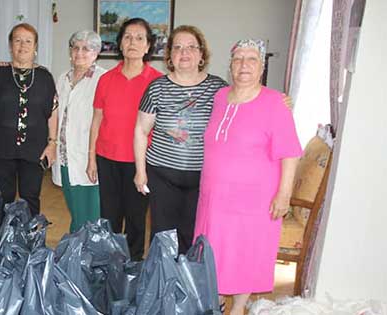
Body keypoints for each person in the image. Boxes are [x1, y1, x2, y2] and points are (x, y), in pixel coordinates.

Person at [193, 39, 302, 315]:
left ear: (262, 66)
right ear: (230, 66)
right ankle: (215, 299)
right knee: (214, 248)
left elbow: (290, 153)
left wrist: (284, 194)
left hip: (253, 201)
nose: (244, 65)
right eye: (238, 59)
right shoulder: (220, 97)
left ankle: (239, 306)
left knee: (246, 251)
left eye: (251, 59)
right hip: (214, 196)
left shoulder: (275, 102)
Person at [133, 25, 227, 254]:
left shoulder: (219, 88)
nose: (184, 53)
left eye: (191, 47)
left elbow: (245, 109)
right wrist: (140, 171)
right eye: (178, 47)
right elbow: (140, 131)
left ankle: (186, 282)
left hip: (202, 177)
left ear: (201, 54)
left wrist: (277, 102)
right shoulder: (157, 87)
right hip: (162, 173)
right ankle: (162, 283)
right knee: (162, 235)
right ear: (170, 56)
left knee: (192, 234)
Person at [87, 18, 162, 260]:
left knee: (136, 218)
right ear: (120, 43)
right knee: (109, 217)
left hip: (141, 161)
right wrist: (91, 159)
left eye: (140, 38)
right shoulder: (106, 79)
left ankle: (134, 268)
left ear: (148, 46)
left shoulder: (157, 82)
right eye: (128, 37)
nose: (133, 42)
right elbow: (96, 120)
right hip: (107, 158)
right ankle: (109, 267)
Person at [0, 23, 58, 216]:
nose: (22, 46)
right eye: (17, 40)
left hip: (34, 150)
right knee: (0, 198)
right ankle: (0, 242)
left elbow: (53, 112)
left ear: (35, 48)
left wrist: (52, 143)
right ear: (10, 46)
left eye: (28, 41)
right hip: (1, 149)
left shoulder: (45, 77)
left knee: (30, 199)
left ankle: (29, 243)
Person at [51, 30, 106, 232]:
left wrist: (93, 158)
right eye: (75, 47)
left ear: (96, 53)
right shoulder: (62, 78)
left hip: (88, 156)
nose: (80, 53)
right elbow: (55, 114)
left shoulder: (103, 79)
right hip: (65, 156)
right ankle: (76, 253)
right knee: (75, 209)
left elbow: (103, 121)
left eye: (86, 48)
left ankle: (87, 254)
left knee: (90, 213)